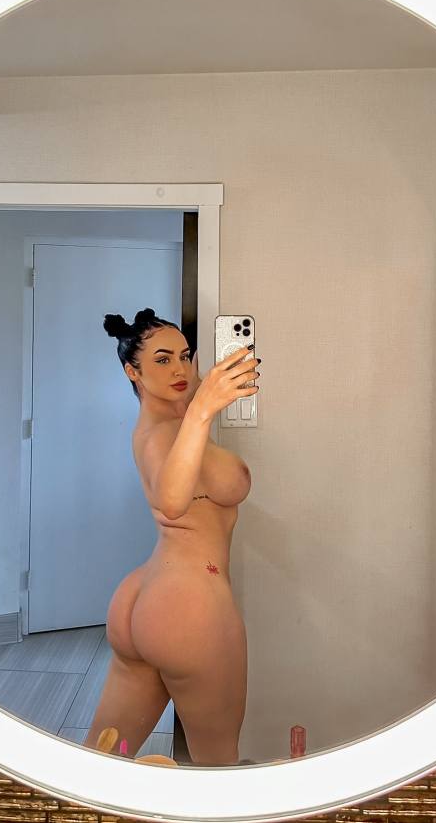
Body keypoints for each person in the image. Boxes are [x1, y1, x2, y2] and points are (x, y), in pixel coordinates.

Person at [82, 307, 261, 765]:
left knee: (103, 759)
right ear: (132, 371)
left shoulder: (167, 427)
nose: (179, 369)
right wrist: (201, 409)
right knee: (217, 765)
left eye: (184, 356)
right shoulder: (165, 434)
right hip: (188, 607)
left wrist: (199, 397)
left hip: (145, 599)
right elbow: (172, 501)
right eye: (162, 360)